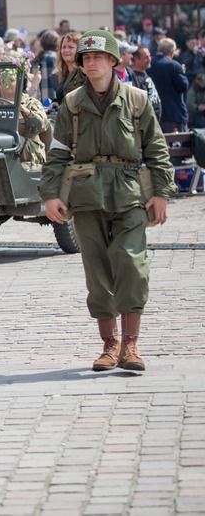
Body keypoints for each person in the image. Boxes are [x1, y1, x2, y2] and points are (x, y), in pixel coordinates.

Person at [41, 29, 175, 373]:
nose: (92, 63)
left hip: (130, 193)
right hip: (87, 195)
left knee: (131, 263)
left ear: (113, 61)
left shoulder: (136, 100)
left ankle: (131, 345)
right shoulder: (72, 104)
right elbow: (57, 153)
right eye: (86, 58)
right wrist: (51, 194)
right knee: (97, 270)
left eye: (98, 57)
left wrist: (161, 192)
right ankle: (109, 345)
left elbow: (156, 148)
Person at [0, 55, 50, 169]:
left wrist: (25, 111)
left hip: (28, 155)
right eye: (3, 80)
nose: (6, 83)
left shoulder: (30, 103)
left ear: (20, 82)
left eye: (11, 80)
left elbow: (42, 125)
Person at [147, 38, 190, 133]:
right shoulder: (174, 65)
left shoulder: (149, 63)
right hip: (173, 115)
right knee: (178, 142)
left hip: (154, 114)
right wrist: (183, 73)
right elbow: (184, 86)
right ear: (172, 51)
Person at [50, 31, 84, 109]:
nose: (66, 50)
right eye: (63, 47)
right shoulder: (63, 73)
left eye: (70, 47)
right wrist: (56, 102)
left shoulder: (84, 73)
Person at [129, 45, 162, 120]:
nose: (149, 59)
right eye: (146, 57)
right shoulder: (134, 78)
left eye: (149, 56)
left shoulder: (145, 75)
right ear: (136, 59)